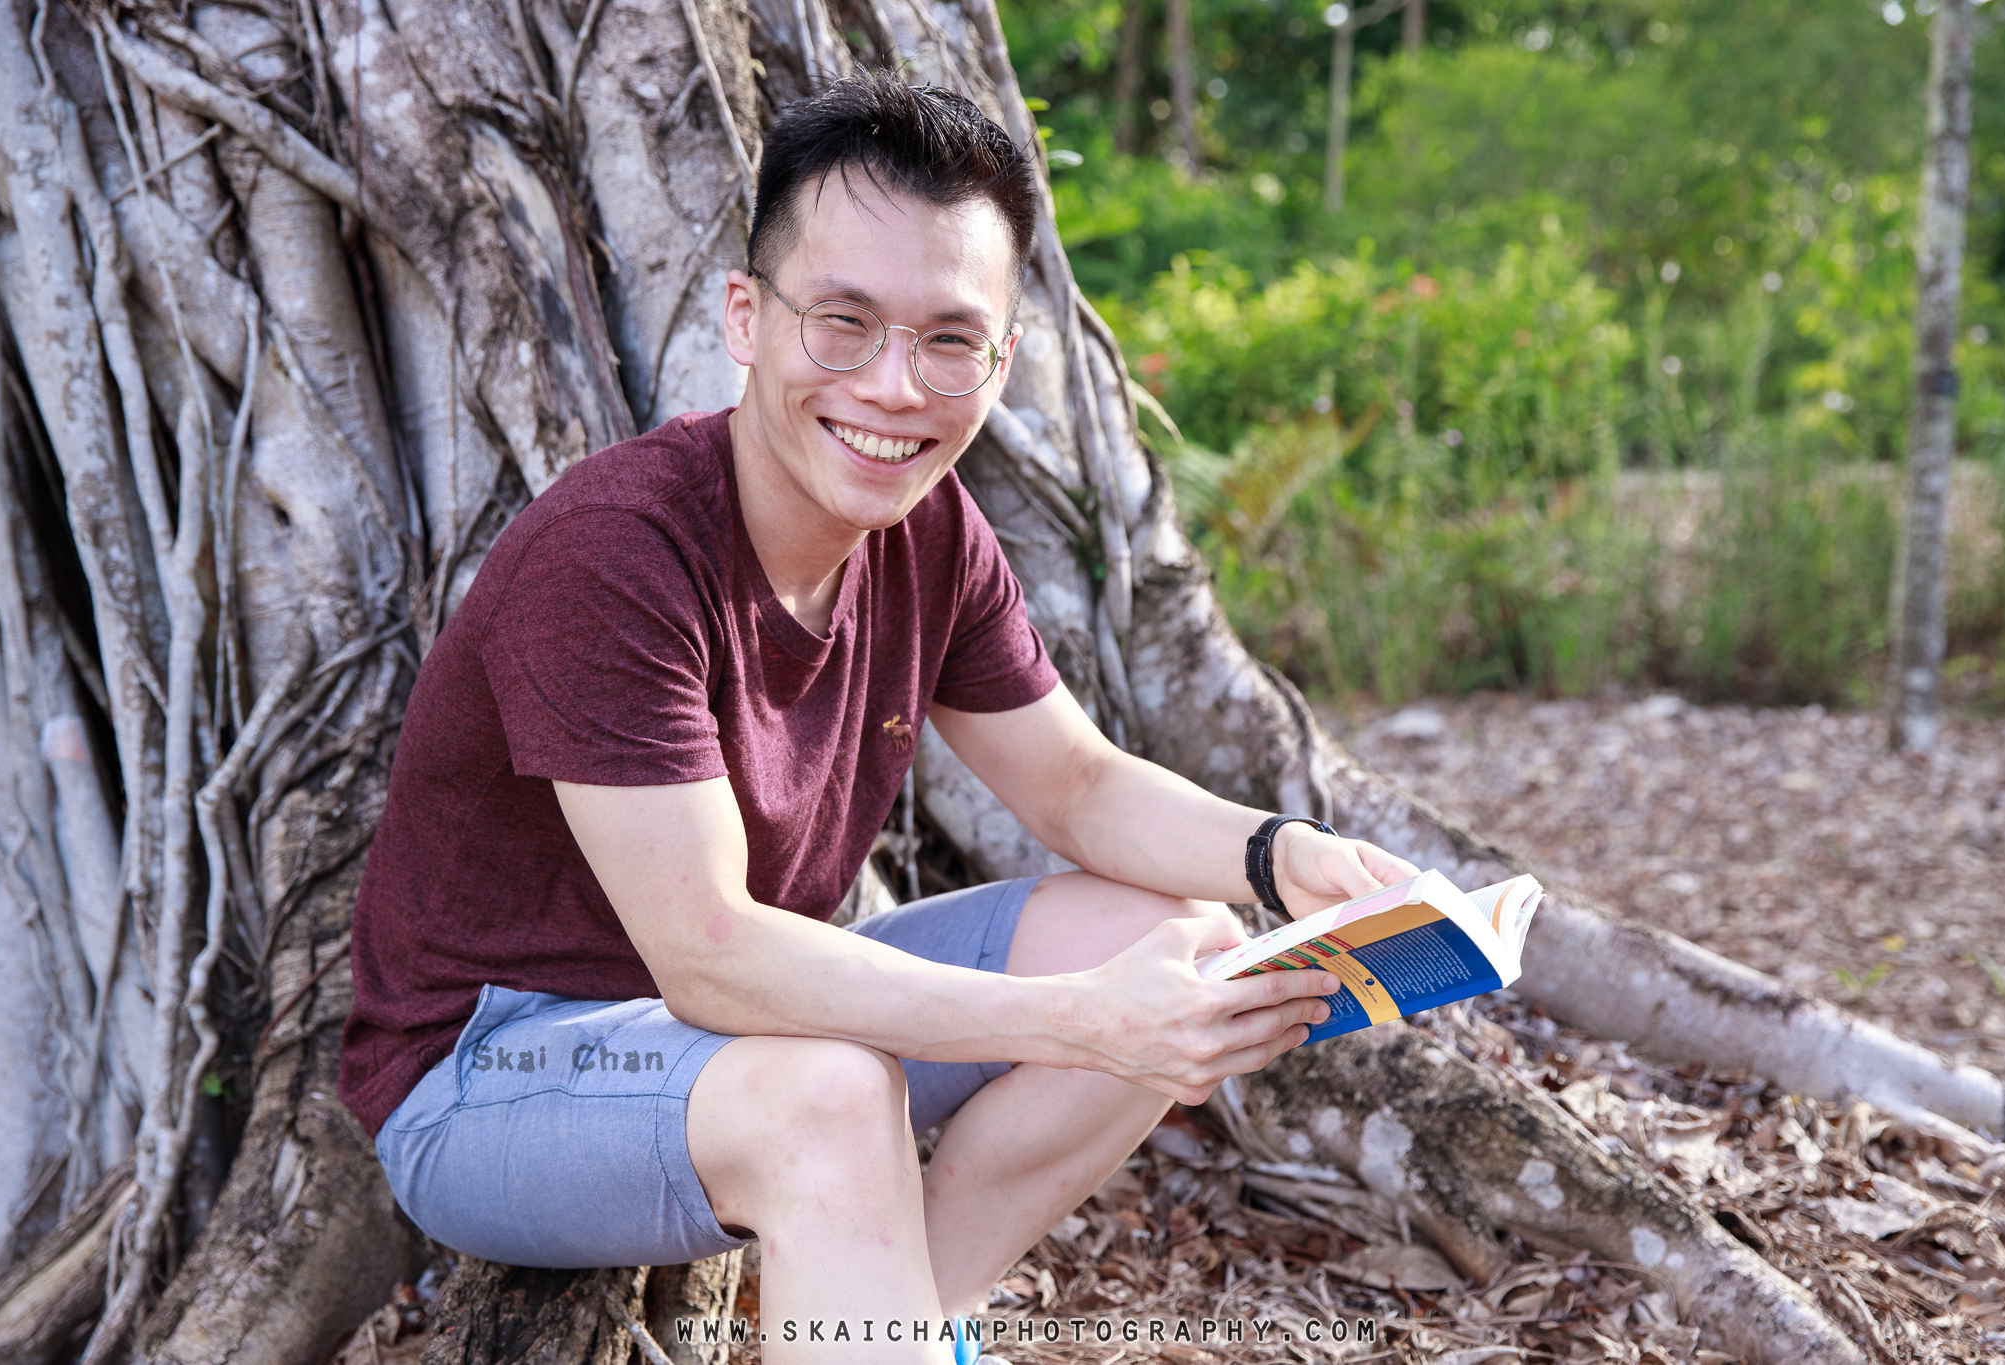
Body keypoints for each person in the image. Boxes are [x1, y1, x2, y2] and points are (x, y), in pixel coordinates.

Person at [339, 73, 1417, 1364]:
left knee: (1175, 938)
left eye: (948, 340)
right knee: (832, 1095)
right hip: (498, 1074)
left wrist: (1276, 854)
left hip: (726, 1043)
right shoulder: (614, 556)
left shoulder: (929, 530)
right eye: (842, 323)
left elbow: (1073, 786)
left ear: (1002, 358)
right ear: (748, 317)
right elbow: (714, 957)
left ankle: (902, 1322)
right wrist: (1085, 1018)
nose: (895, 386)